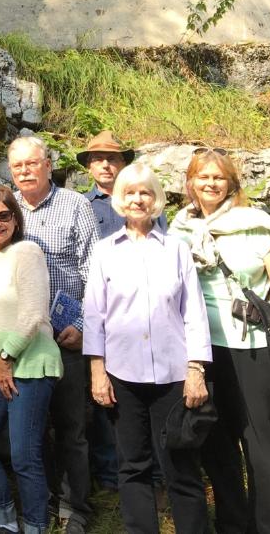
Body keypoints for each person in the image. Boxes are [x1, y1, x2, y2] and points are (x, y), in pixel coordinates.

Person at [170, 148, 270, 533]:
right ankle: (233, 526)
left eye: (218, 177)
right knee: (216, 447)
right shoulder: (179, 228)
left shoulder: (258, 225)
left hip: (251, 350)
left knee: (262, 448)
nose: (210, 183)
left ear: (232, 183)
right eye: (202, 176)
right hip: (202, 352)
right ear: (190, 183)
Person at [83, 163, 211, 534]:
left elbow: (194, 313)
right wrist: (97, 371)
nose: (137, 199)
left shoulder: (176, 249)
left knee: (180, 463)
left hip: (173, 374)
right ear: (119, 199)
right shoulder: (105, 251)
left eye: (145, 192)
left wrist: (196, 369)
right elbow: (94, 316)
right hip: (123, 374)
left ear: (155, 199)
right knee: (133, 465)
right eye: (130, 193)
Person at [7, 136, 98, 534]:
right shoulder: (6, 209)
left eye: (31, 163)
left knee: (72, 427)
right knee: (33, 428)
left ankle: (77, 506)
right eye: (18, 167)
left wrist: (85, 327)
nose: (25, 171)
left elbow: (95, 274)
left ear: (48, 164)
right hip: (25, 338)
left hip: (67, 336)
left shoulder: (75, 206)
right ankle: (40, 500)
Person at [0, 185, 62, 534]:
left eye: (4, 215)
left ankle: (35, 525)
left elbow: (33, 314)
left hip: (30, 366)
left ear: (15, 220)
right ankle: (5, 522)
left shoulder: (28, 252)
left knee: (24, 454)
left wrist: (6, 357)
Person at [75, 130, 163, 491]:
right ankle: (111, 473)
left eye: (112, 158)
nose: (105, 164)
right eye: (97, 158)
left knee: (150, 394)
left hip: (146, 316)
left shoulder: (148, 204)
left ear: (124, 163)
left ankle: (155, 473)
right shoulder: (83, 205)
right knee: (103, 396)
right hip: (102, 314)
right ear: (89, 167)